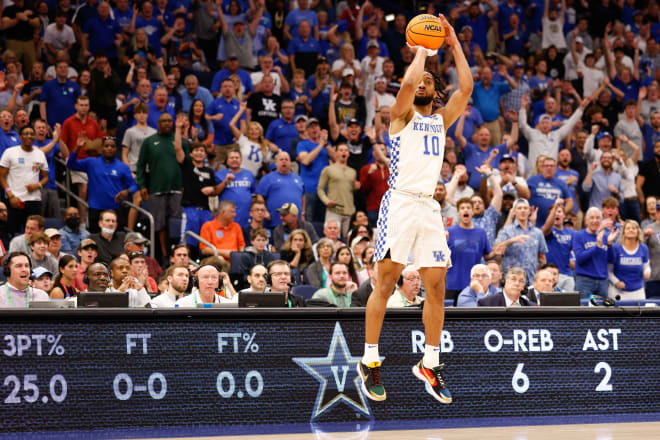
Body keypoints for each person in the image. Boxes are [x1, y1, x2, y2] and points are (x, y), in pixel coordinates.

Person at [359, 15, 470, 405]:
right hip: (401, 200)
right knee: (385, 283)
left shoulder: (440, 121)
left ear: (436, 94)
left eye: (428, 82)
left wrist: (453, 45)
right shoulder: (400, 117)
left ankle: (430, 362)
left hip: (429, 208)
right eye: (419, 80)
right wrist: (423, 49)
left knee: (436, 285)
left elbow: (466, 88)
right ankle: (370, 360)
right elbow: (406, 83)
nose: (422, 83)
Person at [137, 113, 189, 260]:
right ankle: (164, 256)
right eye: (163, 121)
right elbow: (140, 165)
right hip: (156, 189)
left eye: (169, 121)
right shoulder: (149, 142)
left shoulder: (180, 142)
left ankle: (175, 253)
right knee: (159, 224)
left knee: (176, 223)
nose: (167, 123)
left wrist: (186, 185)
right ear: (158, 123)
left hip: (177, 189)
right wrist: (142, 185)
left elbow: (187, 165)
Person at [67, 134, 137, 230]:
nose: (109, 148)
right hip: (95, 209)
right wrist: (77, 147)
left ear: (116, 149)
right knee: (95, 240)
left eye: (112, 146)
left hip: (115, 210)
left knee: (116, 240)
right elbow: (71, 165)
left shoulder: (123, 167)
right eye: (106, 146)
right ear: (102, 148)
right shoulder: (91, 162)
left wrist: (127, 192)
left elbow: (134, 185)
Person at [0, 125, 49, 234]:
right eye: (26, 133)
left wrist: (38, 185)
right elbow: (1, 176)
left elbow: (45, 177)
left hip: (34, 201)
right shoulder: (10, 152)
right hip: (15, 200)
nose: (29, 136)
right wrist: (10, 195)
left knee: (35, 235)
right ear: (20, 137)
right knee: (12, 233)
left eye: (31, 134)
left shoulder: (40, 154)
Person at [446, 198, 494, 303]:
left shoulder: (481, 233)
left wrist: (498, 250)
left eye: (468, 208)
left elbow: (487, 255)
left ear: (472, 211)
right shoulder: (449, 232)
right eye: (462, 208)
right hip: (452, 284)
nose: (465, 210)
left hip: (474, 285)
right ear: (458, 212)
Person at [496, 199, 548, 283]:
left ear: (529, 211)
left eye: (525, 208)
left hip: (531, 279)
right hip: (512, 279)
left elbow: (541, 257)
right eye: (519, 208)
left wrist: (541, 271)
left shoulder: (537, 233)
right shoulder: (506, 230)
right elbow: (496, 249)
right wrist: (511, 241)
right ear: (514, 212)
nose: (522, 210)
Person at [573, 207, 619, 299]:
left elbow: (612, 260)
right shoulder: (579, 235)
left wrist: (610, 244)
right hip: (584, 280)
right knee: (584, 311)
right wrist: (597, 246)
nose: (595, 220)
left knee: (602, 312)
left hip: (603, 281)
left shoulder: (605, 237)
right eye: (592, 218)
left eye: (598, 218)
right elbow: (580, 259)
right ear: (586, 220)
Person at [317, 143, 358, 236]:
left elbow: (351, 190)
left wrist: (356, 187)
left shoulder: (353, 172)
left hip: (349, 211)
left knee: (346, 239)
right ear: (335, 153)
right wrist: (326, 200)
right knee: (332, 237)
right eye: (341, 150)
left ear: (348, 154)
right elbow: (320, 189)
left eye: (346, 150)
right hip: (334, 210)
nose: (344, 152)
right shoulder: (328, 170)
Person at [256, 151, 305, 228]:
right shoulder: (267, 178)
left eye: (286, 159)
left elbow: (302, 196)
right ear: (276, 163)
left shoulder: (298, 179)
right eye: (281, 159)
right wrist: (264, 211)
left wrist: (302, 213)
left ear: (290, 163)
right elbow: (259, 196)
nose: (284, 161)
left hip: (295, 223)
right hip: (274, 221)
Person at [608, 220, 650, 300]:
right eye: (628, 228)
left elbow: (646, 266)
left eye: (633, 228)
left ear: (638, 231)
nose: (631, 230)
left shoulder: (643, 248)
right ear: (623, 232)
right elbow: (608, 270)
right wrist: (616, 282)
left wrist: (647, 271)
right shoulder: (616, 248)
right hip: (618, 292)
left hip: (638, 292)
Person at [215, 148, 256, 228]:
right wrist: (225, 181)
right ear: (227, 161)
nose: (234, 160)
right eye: (231, 158)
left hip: (245, 217)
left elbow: (254, 195)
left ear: (241, 160)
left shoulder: (249, 174)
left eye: (237, 158)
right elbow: (215, 192)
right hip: (226, 218)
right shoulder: (219, 174)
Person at [542, 198, 575, 291]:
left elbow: (577, 250)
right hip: (549, 274)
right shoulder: (547, 230)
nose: (557, 213)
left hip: (567, 273)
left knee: (569, 303)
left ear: (564, 215)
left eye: (559, 211)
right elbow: (545, 230)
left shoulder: (571, 232)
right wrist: (556, 206)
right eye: (554, 211)